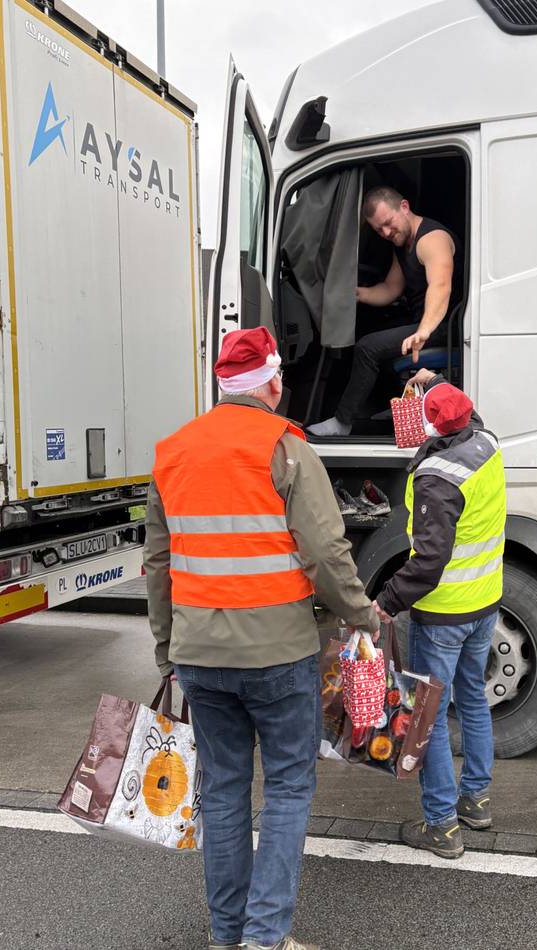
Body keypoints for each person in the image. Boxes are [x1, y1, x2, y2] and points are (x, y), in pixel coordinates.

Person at [144, 326, 378, 950]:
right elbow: (327, 552)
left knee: (223, 792)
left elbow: (159, 566)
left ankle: (226, 935)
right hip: (279, 656)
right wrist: (363, 616)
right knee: (289, 787)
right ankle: (264, 938)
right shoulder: (287, 448)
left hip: (199, 657)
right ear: (271, 382)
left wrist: (167, 649)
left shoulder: (172, 452)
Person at [373, 369, 506, 859]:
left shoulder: (437, 478)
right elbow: (460, 411)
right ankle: (477, 802)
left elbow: (428, 563)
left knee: (426, 716)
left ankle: (443, 825)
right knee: (471, 699)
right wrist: (437, 382)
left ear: (431, 426)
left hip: (444, 613)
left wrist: (384, 603)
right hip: (485, 603)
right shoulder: (486, 441)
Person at [307, 186, 457, 437]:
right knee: (370, 332)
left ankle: (342, 423)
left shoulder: (432, 239)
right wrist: (355, 294)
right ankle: (393, 408)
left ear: (405, 207)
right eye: (379, 229)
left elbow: (441, 286)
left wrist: (424, 330)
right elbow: (391, 288)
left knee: (369, 347)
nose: (386, 232)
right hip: (425, 323)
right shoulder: (401, 244)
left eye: (389, 223)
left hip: (444, 326)